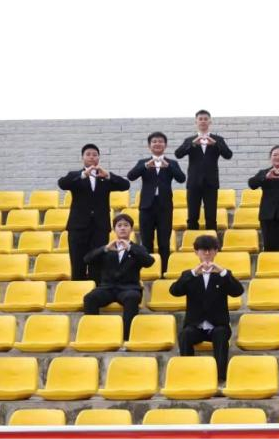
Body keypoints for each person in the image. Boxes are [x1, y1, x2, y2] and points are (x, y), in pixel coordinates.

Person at [169, 235, 245, 380]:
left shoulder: (223, 275)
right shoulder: (189, 275)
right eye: (203, 250)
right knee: (184, 335)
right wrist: (193, 273)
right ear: (196, 252)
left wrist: (223, 272)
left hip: (218, 325)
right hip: (196, 326)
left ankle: (220, 377)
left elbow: (238, 291)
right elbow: (174, 291)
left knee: (221, 334)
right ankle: (187, 374)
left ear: (216, 252)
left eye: (210, 250)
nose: (207, 253)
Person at [58, 144, 131, 281]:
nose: (91, 157)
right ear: (82, 157)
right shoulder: (75, 176)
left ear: (99, 158)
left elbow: (125, 185)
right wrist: (82, 175)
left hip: (100, 227)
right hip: (78, 227)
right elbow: (62, 183)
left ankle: (96, 290)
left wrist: (108, 175)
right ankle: (78, 290)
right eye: (88, 154)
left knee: (98, 263)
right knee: (77, 263)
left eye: (95, 155)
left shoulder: (104, 177)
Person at [82, 214, 155, 339]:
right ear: (114, 229)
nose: (122, 228)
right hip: (107, 288)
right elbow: (87, 259)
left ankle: (127, 338)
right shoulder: (108, 248)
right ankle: (92, 334)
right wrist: (105, 249)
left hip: (129, 288)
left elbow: (149, 262)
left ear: (131, 229)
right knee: (90, 298)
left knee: (132, 298)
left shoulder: (137, 248)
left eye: (126, 225)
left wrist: (130, 248)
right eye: (119, 225)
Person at [127, 131, 186, 272]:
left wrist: (168, 166)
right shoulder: (143, 163)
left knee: (164, 242)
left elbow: (181, 178)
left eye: (160, 141)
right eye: (154, 141)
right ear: (149, 146)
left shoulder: (172, 163)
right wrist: (145, 165)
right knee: (146, 241)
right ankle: (148, 271)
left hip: (164, 207)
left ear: (165, 145)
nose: (157, 144)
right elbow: (131, 176)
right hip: (146, 207)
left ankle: (163, 271)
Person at [175, 109, 233, 231]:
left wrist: (215, 144)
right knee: (192, 216)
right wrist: (192, 144)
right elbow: (178, 154)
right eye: (200, 119)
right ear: (196, 122)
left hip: (211, 182)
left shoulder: (218, 139)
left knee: (211, 217)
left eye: (205, 119)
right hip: (193, 183)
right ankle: (192, 241)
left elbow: (228, 155)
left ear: (210, 121)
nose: (203, 121)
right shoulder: (189, 140)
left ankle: (212, 241)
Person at [247, 145, 279, 251]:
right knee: (269, 248)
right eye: (275, 155)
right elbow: (252, 184)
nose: (278, 157)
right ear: (270, 157)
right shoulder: (264, 172)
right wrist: (265, 177)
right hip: (267, 216)